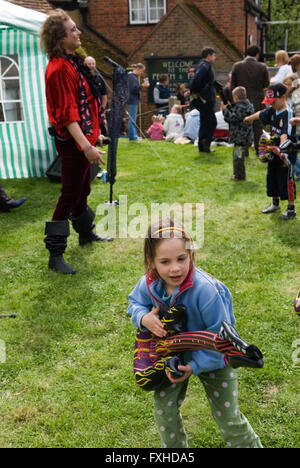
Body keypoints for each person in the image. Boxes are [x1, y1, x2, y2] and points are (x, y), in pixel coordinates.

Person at [127, 217, 263, 448]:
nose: (175, 268)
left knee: (228, 418)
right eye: (165, 261)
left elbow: (221, 336)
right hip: (171, 356)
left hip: (214, 356)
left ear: (191, 253)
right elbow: (134, 303)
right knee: (164, 412)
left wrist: (195, 366)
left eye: (181, 258)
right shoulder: (148, 283)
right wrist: (144, 317)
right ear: (151, 261)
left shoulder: (206, 291)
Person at [40, 9, 112, 275]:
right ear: (60, 39)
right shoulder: (58, 69)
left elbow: (87, 105)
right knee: (69, 194)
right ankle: (55, 254)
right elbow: (68, 116)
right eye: (73, 30)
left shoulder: (72, 63)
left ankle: (85, 234)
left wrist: (95, 135)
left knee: (82, 189)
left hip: (82, 139)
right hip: (71, 143)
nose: (78, 32)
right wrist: (86, 146)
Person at [244, 83, 297, 220]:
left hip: (285, 151)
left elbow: (285, 134)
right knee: (272, 176)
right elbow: (261, 114)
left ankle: (291, 209)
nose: (271, 104)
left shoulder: (288, 113)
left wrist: (281, 150)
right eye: (269, 102)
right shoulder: (272, 110)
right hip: (273, 150)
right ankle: (275, 203)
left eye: (273, 101)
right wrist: (249, 118)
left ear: (283, 97)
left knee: (286, 179)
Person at [231, 45, 270, 155]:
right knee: (258, 126)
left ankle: (244, 150)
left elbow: (232, 85)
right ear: (257, 55)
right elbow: (266, 84)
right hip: (258, 100)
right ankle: (258, 149)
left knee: (242, 126)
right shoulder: (262, 67)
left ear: (245, 54)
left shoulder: (237, 66)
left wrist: (233, 101)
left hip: (241, 101)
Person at [222, 86, 254, 181]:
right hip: (246, 135)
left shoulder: (241, 107)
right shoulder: (247, 105)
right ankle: (239, 175)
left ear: (235, 97)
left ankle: (239, 176)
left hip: (241, 136)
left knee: (238, 157)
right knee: (239, 156)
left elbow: (232, 118)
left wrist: (224, 110)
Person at [190, 47, 217, 153]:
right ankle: (205, 146)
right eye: (214, 56)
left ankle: (203, 147)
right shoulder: (204, 66)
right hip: (205, 100)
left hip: (205, 99)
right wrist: (196, 93)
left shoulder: (201, 65)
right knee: (210, 123)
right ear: (209, 55)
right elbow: (196, 81)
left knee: (206, 122)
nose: (215, 58)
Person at [84, 56, 108, 135]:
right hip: (86, 109)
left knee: (99, 128)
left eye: (93, 64)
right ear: (84, 65)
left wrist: (102, 108)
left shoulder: (99, 78)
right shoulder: (81, 77)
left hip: (97, 109)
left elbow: (104, 95)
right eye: (89, 64)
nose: (91, 65)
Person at [127, 63, 149, 141]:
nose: (142, 73)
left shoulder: (132, 76)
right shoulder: (132, 77)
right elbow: (134, 89)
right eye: (142, 71)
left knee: (133, 118)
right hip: (132, 100)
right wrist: (142, 85)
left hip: (133, 99)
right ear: (138, 69)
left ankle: (134, 135)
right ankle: (133, 136)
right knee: (132, 119)